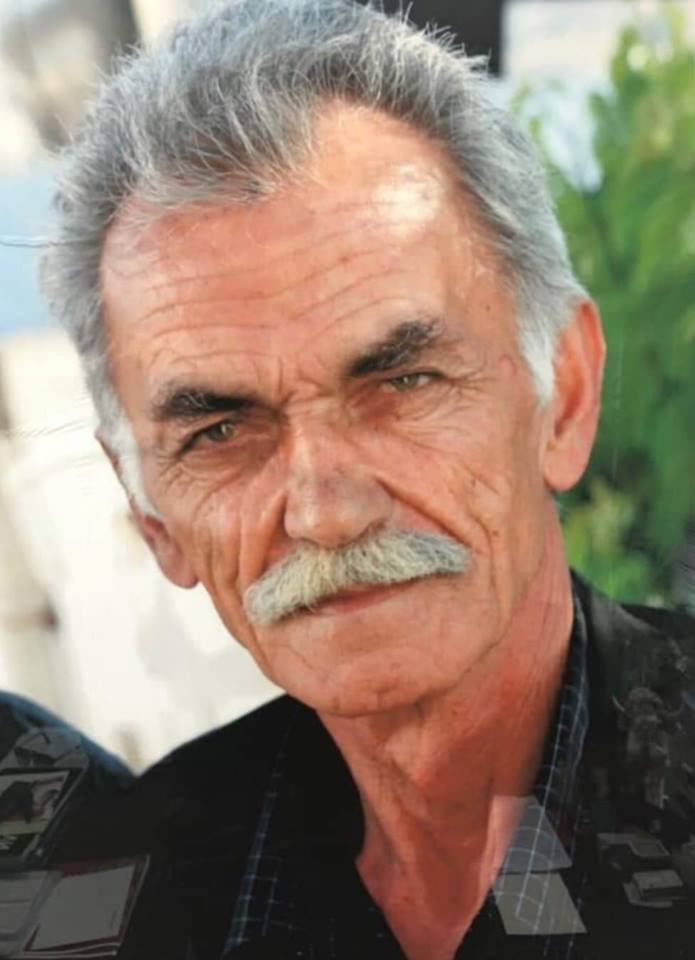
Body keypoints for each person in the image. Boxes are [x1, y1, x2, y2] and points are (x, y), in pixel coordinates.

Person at [40, 2, 695, 958]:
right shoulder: (119, 902)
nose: (324, 511)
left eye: (401, 382)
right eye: (220, 431)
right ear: (152, 517)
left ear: (563, 395)